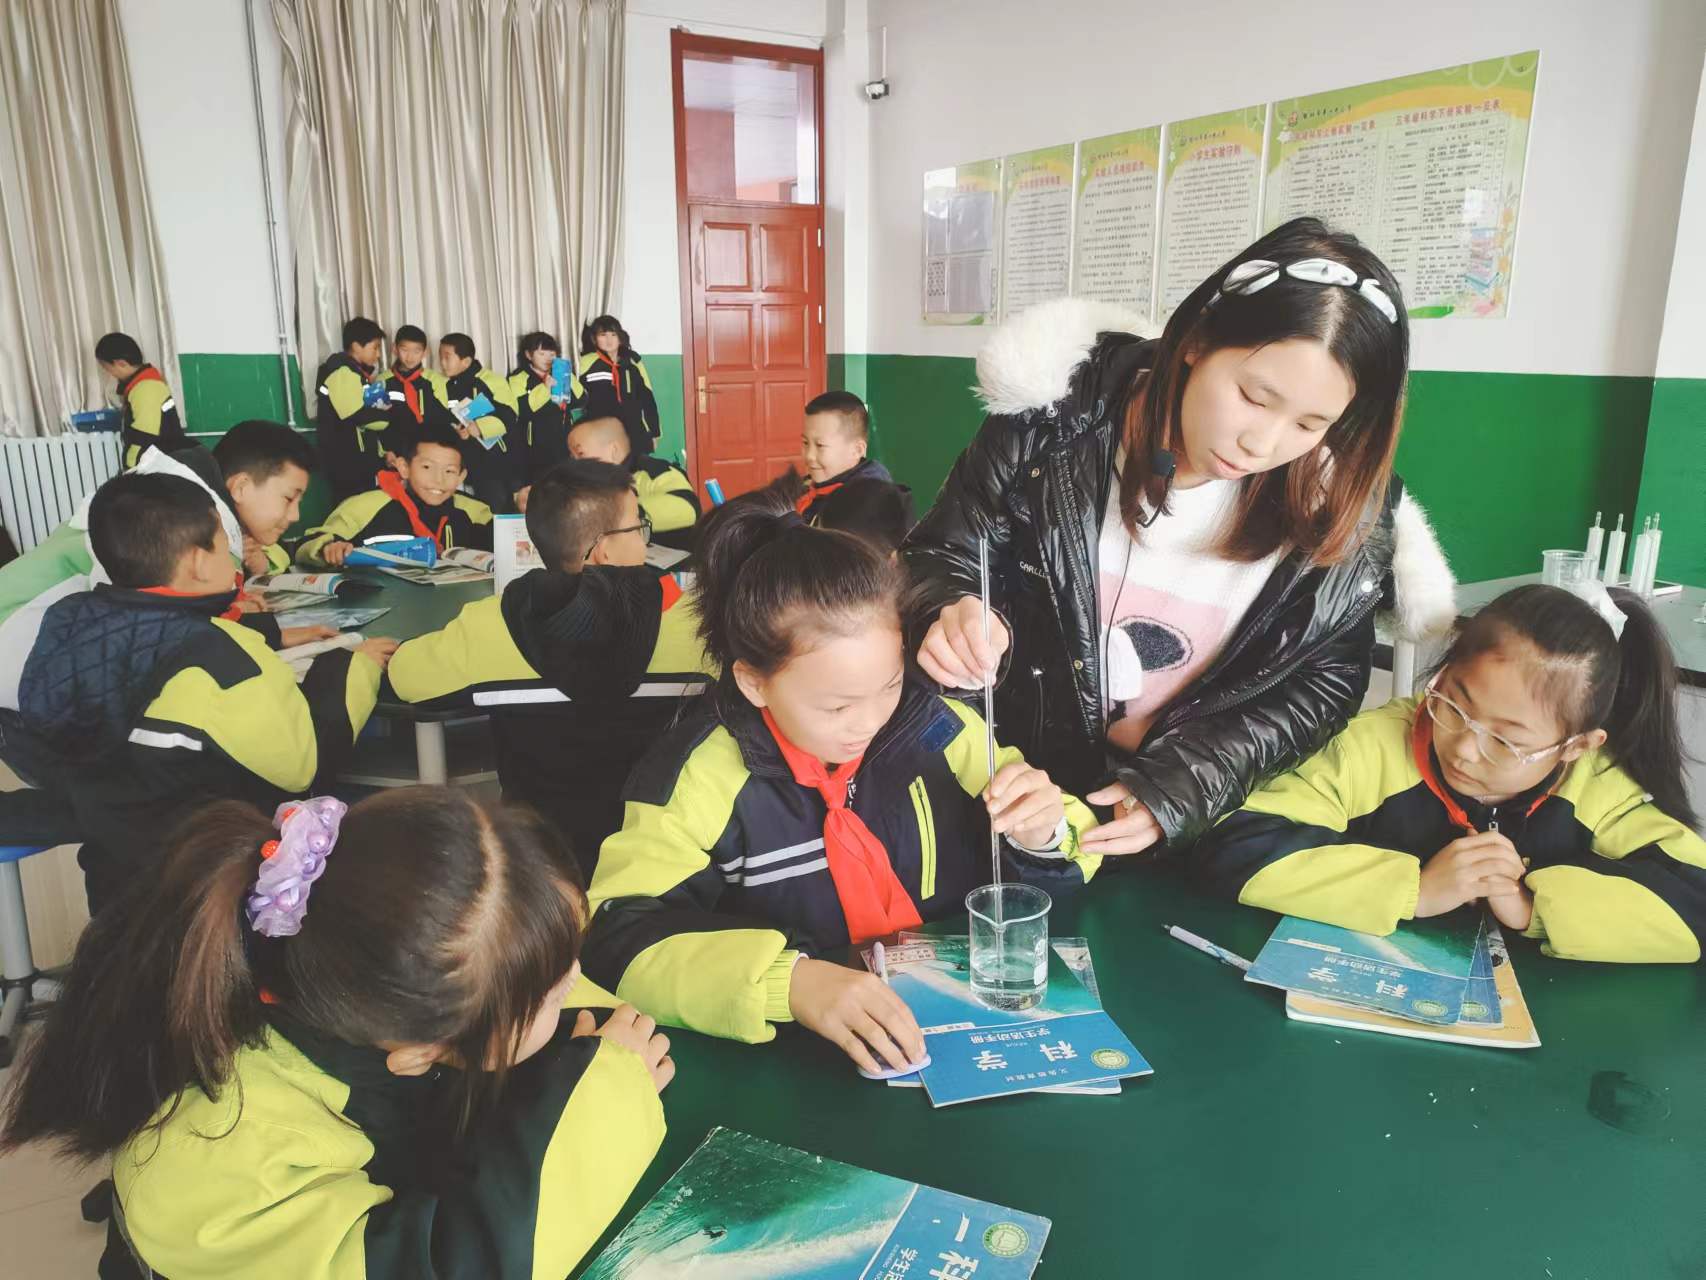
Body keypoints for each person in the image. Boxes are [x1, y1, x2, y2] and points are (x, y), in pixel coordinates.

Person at [902, 217, 1457, 858]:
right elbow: (941, 554)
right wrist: (950, 608)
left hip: (1169, 828)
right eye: (1254, 397)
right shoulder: (1051, 427)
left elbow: (1321, 684)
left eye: (1311, 424)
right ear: (1195, 341)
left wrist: (1187, 783)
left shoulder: (1341, 510)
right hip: (1000, 788)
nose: (1263, 444)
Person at [0, 788, 673, 1278]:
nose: (579, 983)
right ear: (419, 1053)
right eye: (553, 989)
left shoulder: (369, 981)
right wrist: (610, 1098)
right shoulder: (223, 1161)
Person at [582, 489, 1099, 1074]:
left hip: (957, 1032)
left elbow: (1077, 840)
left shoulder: (936, 728)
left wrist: (1042, 834)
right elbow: (618, 937)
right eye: (837, 707)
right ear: (754, 683)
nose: (870, 723)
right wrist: (789, 982)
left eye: (889, 685)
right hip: (794, 1067)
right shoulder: (697, 778)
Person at [1194, 585, 1706, 962]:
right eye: (1453, 705)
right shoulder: (1368, 749)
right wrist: (1415, 889)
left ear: (1576, 747)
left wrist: (1532, 908)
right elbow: (1232, 838)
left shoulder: (1597, 787)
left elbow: (1694, 897)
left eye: (1506, 741)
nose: (1463, 749)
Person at [11, 472, 392, 913]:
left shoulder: (68, 623)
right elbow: (303, 765)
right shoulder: (221, 658)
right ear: (197, 561)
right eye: (223, 543)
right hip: (207, 894)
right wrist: (354, 665)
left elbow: (139, 636)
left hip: (112, 887)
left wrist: (261, 630)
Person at [388, 460, 713, 871]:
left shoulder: (490, 623)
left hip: (538, 858)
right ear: (603, 548)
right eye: (637, 528)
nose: (644, 541)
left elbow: (407, 679)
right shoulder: (695, 626)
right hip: (660, 855)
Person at [296, 421, 493, 568]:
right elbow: (306, 545)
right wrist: (328, 548)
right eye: (427, 467)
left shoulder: (475, 512)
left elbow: (504, 541)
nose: (438, 480)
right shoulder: (365, 507)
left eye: (449, 471)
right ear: (404, 468)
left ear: (461, 476)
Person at [567, 414, 699, 551]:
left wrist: (621, 513)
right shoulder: (589, 485)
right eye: (572, 457)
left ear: (613, 450)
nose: (575, 464)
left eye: (580, 454)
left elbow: (689, 507)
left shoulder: (654, 471)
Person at [211, 419, 319, 577]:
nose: (295, 516)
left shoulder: (247, 537)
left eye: (298, 502)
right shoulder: (191, 544)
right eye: (289, 498)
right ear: (241, 488)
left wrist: (261, 568)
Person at [439, 331, 523, 513]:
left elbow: (510, 413)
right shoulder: (446, 386)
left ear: (466, 361)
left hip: (499, 462)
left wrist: (481, 427)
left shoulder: (490, 380)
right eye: (440, 357)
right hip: (468, 464)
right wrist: (460, 432)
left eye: (447, 357)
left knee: (500, 509)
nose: (442, 363)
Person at [796, 391, 905, 522]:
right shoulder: (810, 487)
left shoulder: (865, 508)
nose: (809, 456)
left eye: (820, 445)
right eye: (805, 443)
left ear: (857, 450)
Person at [315, 317, 392, 501]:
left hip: (358, 458)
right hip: (347, 460)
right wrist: (387, 418)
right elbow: (355, 414)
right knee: (351, 505)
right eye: (375, 348)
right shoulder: (343, 372)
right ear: (356, 346)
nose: (378, 355)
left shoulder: (357, 373)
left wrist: (381, 452)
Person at [96, 332, 186, 468]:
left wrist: (131, 468)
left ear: (121, 363)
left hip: (160, 464)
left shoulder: (146, 388)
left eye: (107, 368)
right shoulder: (141, 385)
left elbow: (144, 437)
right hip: (160, 461)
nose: (109, 374)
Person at [576, 314, 660, 452]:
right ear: (594, 339)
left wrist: (654, 433)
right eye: (603, 335)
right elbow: (576, 396)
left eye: (613, 335)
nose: (609, 340)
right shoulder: (586, 363)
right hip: (600, 434)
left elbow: (648, 398)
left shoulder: (632, 362)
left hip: (634, 433)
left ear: (620, 338)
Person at [509, 330, 574, 498]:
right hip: (532, 451)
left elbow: (581, 400)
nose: (548, 358)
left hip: (562, 446)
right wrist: (544, 388)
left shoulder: (559, 374)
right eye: (542, 353)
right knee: (537, 495)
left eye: (552, 354)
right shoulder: (519, 377)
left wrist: (569, 379)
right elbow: (521, 409)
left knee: (562, 493)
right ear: (528, 355)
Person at [383, 323, 451, 455]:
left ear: (425, 352)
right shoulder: (383, 380)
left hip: (429, 449)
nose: (410, 357)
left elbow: (444, 418)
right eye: (404, 350)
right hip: (395, 451)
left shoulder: (435, 380)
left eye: (416, 351)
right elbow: (378, 420)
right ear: (395, 349)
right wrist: (386, 451)